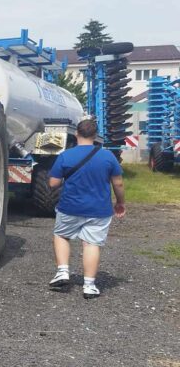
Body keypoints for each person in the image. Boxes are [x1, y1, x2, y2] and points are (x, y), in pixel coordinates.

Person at [47, 118, 125, 300]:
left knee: (61, 235)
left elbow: (53, 183)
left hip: (69, 207)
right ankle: (89, 286)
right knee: (91, 244)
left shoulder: (66, 155)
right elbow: (118, 183)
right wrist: (120, 202)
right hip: (99, 210)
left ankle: (62, 272)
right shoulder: (107, 156)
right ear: (96, 136)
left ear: (77, 134)